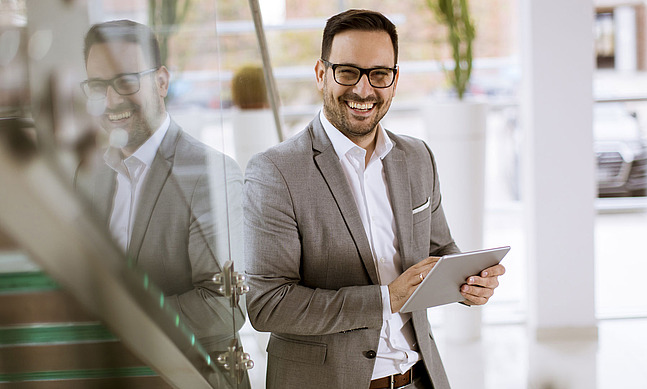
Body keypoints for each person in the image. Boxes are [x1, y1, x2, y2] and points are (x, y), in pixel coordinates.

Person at [243, 9, 505, 389]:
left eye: (379, 75)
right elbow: (269, 304)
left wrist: (468, 281)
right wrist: (386, 299)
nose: (364, 91)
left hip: (419, 377)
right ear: (321, 74)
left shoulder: (417, 157)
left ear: (394, 81)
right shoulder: (275, 172)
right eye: (348, 72)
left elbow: (439, 248)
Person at [74, 19, 246, 379]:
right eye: (98, 85)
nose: (111, 100)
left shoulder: (210, 173)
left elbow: (224, 308)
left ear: (162, 81)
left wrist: (121, 318)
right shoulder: (89, 173)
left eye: (125, 81)